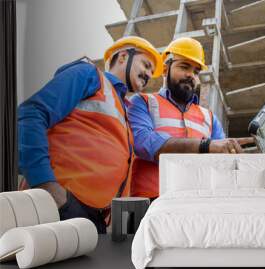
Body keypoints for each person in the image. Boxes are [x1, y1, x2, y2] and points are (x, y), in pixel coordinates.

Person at [18, 36, 162, 233]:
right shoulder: (89, 75)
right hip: (57, 206)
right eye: (145, 65)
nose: (148, 75)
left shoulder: (125, 111)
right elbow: (30, 114)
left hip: (92, 220)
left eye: (151, 72)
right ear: (122, 57)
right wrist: (47, 187)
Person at [127, 37, 265, 199]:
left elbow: (227, 164)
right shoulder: (143, 102)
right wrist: (206, 146)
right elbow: (143, 143)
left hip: (198, 205)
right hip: (152, 203)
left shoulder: (209, 118)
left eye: (196, 71)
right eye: (184, 66)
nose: (191, 75)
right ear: (164, 69)